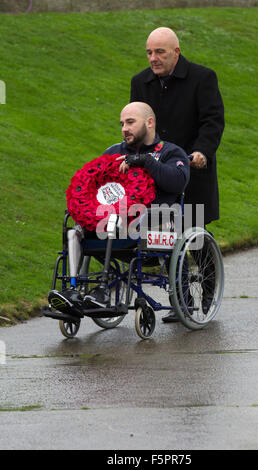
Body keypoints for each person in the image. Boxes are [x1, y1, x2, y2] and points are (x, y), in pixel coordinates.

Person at [48, 102, 190, 316]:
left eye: (130, 122)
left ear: (149, 123)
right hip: (113, 225)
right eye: (122, 123)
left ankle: (104, 290)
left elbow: (178, 182)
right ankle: (72, 291)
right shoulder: (113, 152)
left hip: (157, 224)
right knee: (74, 230)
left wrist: (145, 162)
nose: (124, 128)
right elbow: (93, 186)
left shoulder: (171, 152)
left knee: (115, 219)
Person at [130, 27, 225, 322]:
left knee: (193, 238)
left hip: (191, 168)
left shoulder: (202, 78)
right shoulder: (141, 82)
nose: (153, 58)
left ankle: (207, 293)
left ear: (176, 52)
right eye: (149, 52)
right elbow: (137, 123)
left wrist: (201, 152)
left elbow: (212, 121)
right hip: (156, 172)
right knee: (166, 237)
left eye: (160, 52)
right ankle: (180, 300)